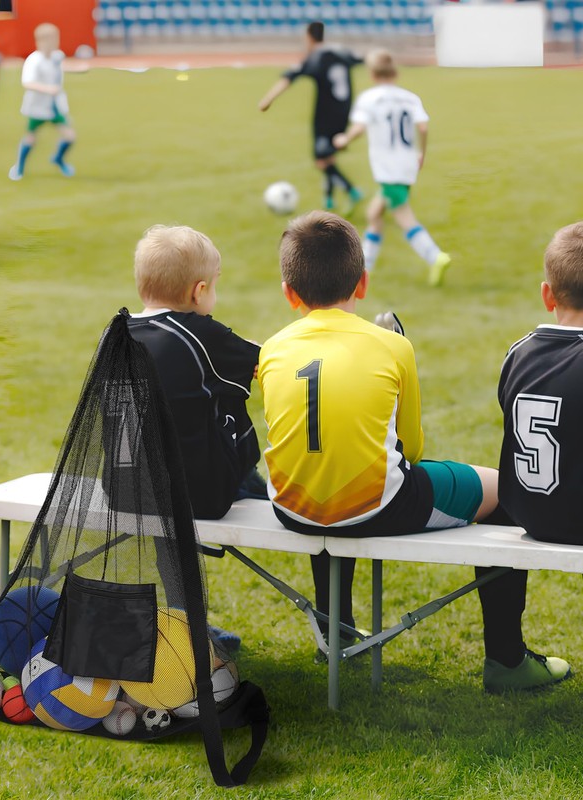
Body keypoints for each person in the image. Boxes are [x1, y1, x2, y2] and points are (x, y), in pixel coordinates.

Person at [258, 210, 569, 691]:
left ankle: (335, 633)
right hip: (380, 506)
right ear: (362, 283)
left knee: (325, 475)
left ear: (288, 292)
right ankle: (507, 660)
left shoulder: (272, 349)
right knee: (502, 490)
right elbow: (413, 449)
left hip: (291, 509)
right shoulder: (391, 346)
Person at [485, 222, 583, 691]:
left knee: (491, 501)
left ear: (548, 295)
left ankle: (504, 658)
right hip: (576, 517)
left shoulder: (518, 352)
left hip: (525, 512)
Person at [127, 225, 266, 521]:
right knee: (226, 393)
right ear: (199, 291)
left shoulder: (120, 333)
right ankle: (261, 496)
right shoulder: (200, 334)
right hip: (198, 497)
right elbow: (264, 359)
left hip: (128, 491)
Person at [332, 49, 450, 287]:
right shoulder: (409, 97)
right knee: (374, 215)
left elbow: (359, 128)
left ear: (372, 74)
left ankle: (436, 257)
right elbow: (423, 128)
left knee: (403, 216)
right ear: (394, 72)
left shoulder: (370, 98)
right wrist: (422, 153)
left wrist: (344, 139)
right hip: (407, 165)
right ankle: (363, 270)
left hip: (388, 168)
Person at [258, 21, 363, 215]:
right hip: (344, 112)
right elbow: (361, 59)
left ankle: (351, 191)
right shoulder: (341, 51)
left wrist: (267, 100)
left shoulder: (315, 56)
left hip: (325, 115)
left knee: (321, 160)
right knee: (329, 156)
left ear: (309, 36)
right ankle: (329, 200)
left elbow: (289, 78)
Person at [9, 23, 76, 181]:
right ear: (39, 41)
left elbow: (58, 73)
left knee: (70, 136)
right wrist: (48, 89)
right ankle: (19, 167)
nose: (53, 43)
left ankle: (58, 159)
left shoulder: (58, 56)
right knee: (30, 138)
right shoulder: (34, 60)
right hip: (37, 107)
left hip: (55, 107)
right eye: (48, 39)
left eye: (55, 39)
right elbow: (27, 83)